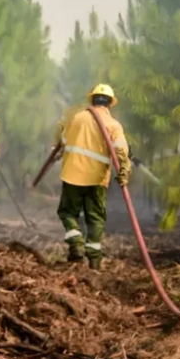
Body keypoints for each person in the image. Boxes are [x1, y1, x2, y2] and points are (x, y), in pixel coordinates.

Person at [54, 84, 131, 270]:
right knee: (95, 218)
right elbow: (122, 151)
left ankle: (76, 243)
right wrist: (124, 171)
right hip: (97, 179)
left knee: (67, 212)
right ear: (110, 104)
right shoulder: (114, 125)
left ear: (92, 99)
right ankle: (94, 263)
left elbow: (63, 141)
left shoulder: (77, 118)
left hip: (72, 174)